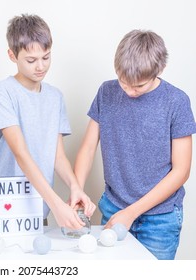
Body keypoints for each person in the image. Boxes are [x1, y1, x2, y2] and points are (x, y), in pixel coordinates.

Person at [74, 29, 196, 259]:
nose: (129, 90)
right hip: (113, 208)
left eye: (138, 86)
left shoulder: (176, 102)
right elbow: (88, 148)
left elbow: (181, 171)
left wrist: (131, 213)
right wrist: (77, 188)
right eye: (123, 82)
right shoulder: (106, 92)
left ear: (159, 70)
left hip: (160, 219)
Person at [0, 14, 96, 230]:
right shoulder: (2, 93)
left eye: (46, 57)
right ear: (12, 55)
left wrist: (75, 186)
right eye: (31, 60)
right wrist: (57, 204)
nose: (40, 66)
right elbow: (21, 153)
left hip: (35, 205)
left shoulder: (55, 97)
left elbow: (57, 155)